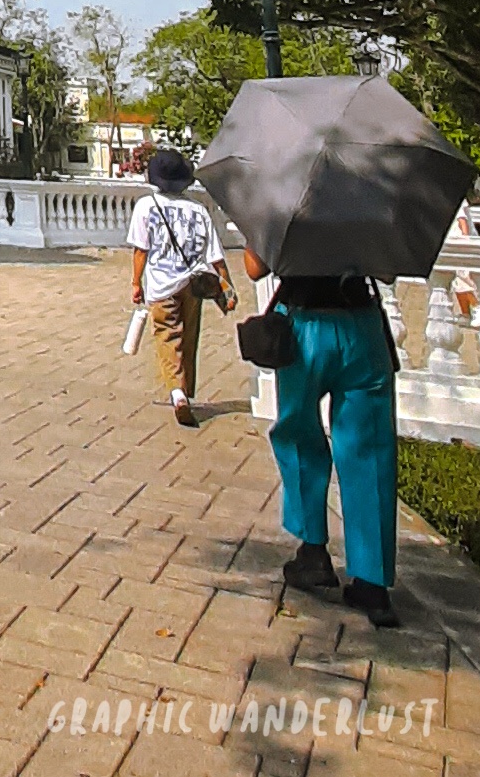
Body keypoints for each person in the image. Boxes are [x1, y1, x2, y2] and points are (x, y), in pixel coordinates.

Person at [243, 245, 400, 628]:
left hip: (305, 327)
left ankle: (313, 549)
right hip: (363, 328)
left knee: (299, 437)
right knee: (370, 452)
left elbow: (254, 268)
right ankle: (373, 583)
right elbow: (388, 273)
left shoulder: (286, 191)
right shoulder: (369, 192)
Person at [128, 147, 235, 426]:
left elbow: (141, 251)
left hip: (161, 284)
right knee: (189, 337)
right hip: (193, 284)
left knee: (167, 336)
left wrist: (135, 283)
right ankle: (186, 390)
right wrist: (228, 287)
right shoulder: (198, 210)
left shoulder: (146, 206)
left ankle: (177, 394)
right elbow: (215, 255)